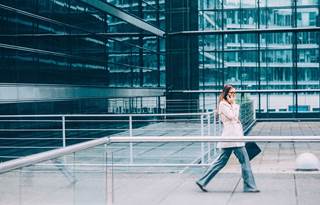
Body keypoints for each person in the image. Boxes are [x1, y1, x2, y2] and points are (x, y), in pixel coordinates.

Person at [195, 84, 259, 193]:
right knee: (244, 161)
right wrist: (233, 104)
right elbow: (232, 116)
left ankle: (202, 181)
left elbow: (235, 118)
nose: (234, 95)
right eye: (231, 93)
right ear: (226, 94)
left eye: (235, 93)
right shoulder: (223, 105)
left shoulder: (228, 104)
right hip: (232, 138)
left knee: (221, 162)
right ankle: (249, 186)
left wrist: (233, 105)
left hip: (233, 138)